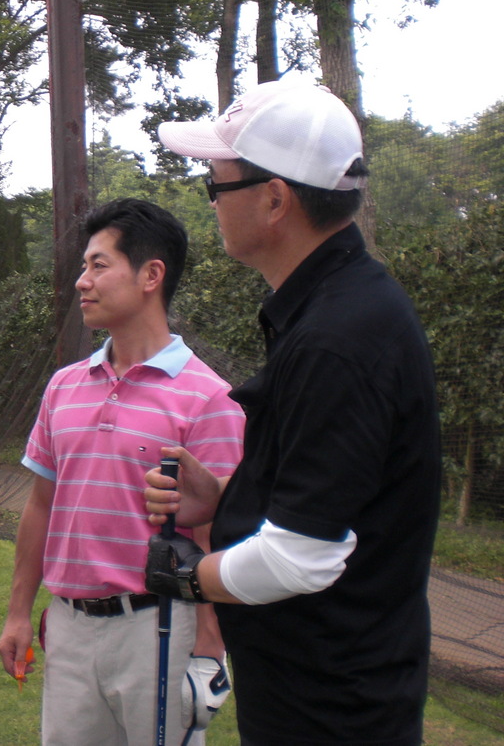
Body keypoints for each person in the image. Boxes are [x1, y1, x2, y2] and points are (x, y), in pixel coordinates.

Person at [145, 79, 441, 746]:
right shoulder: (332, 310)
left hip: (334, 711)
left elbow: (302, 557)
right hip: (316, 690)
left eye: (216, 188)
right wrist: (223, 497)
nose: (213, 205)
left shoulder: (339, 337)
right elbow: (336, 496)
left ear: (274, 200)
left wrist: (190, 576)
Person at [0, 198, 245, 746]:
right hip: (68, 627)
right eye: (84, 267)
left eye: (99, 266)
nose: (82, 282)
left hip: (158, 630)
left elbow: (217, 534)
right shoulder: (64, 386)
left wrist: (208, 651)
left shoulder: (210, 399)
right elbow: (41, 505)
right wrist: (19, 614)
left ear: (151, 274)